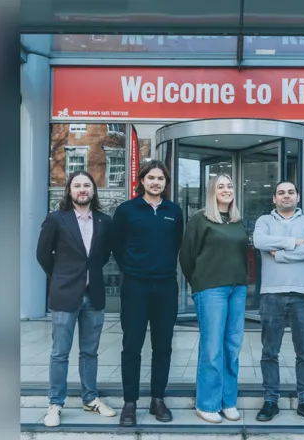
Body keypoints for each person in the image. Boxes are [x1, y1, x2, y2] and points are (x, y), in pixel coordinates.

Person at [36, 171, 117, 427]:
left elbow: (103, 256)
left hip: (94, 297)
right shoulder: (56, 219)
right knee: (59, 353)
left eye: (87, 185)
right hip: (64, 295)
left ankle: (90, 398)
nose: (82, 189)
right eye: (77, 185)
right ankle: (55, 404)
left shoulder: (105, 221)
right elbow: (42, 254)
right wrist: (61, 275)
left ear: (94, 190)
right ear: (69, 191)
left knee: (89, 352)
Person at [111, 160, 184, 427]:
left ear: (166, 183)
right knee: (132, 346)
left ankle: (157, 400)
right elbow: (116, 246)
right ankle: (130, 403)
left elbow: (176, 244)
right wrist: (133, 268)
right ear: (142, 180)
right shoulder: (127, 210)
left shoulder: (174, 211)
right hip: (135, 287)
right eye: (151, 178)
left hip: (166, 286)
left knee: (163, 346)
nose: (156, 182)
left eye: (160, 179)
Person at [179, 174, 249, 424]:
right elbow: (187, 256)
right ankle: (207, 403)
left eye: (230, 185)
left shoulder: (237, 220)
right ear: (212, 191)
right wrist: (198, 283)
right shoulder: (200, 219)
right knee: (212, 348)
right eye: (221, 186)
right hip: (210, 289)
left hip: (237, 289)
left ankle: (228, 401)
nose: (227, 189)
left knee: (232, 346)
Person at [252, 181, 304, 424]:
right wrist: (295, 242)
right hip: (271, 294)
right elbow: (260, 242)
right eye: (281, 192)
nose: (286, 196)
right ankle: (271, 400)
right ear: (274, 198)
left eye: (290, 192)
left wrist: (280, 253)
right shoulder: (264, 221)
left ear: (298, 196)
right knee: (269, 352)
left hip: (303, 295)